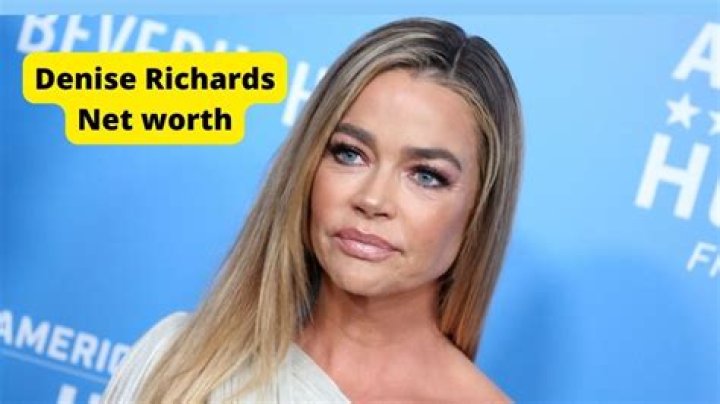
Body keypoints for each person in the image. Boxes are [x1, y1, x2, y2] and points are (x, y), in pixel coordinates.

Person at [102, 16, 522, 403]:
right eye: (350, 153)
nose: (372, 199)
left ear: (478, 210)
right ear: (308, 165)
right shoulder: (176, 361)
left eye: (426, 176)